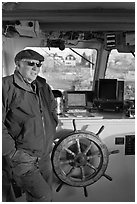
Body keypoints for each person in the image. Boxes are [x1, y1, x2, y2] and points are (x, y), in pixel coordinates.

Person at [2, 49, 58, 201]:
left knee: (42, 198)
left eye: (39, 65)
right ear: (18, 64)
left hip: (45, 155)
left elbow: (52, 109)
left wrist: (51, 132)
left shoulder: (43, 86)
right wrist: (12, 152)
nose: (36, 68)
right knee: (44, 197)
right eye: (31, 64)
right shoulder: (5, 86)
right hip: (23, 156)